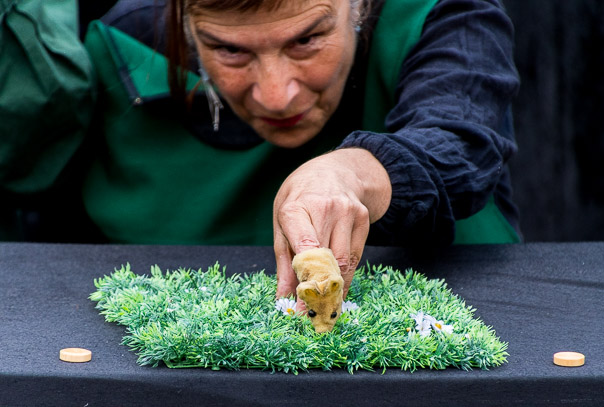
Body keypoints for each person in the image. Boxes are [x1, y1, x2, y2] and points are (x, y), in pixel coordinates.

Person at [18, 0, 522, 309]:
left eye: (307, 39)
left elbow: (461, 138)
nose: (276, 96)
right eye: (231, 51)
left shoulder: (444, 14)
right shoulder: (116, 43)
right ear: (184, 20)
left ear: (359, 6)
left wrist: (355, 170)